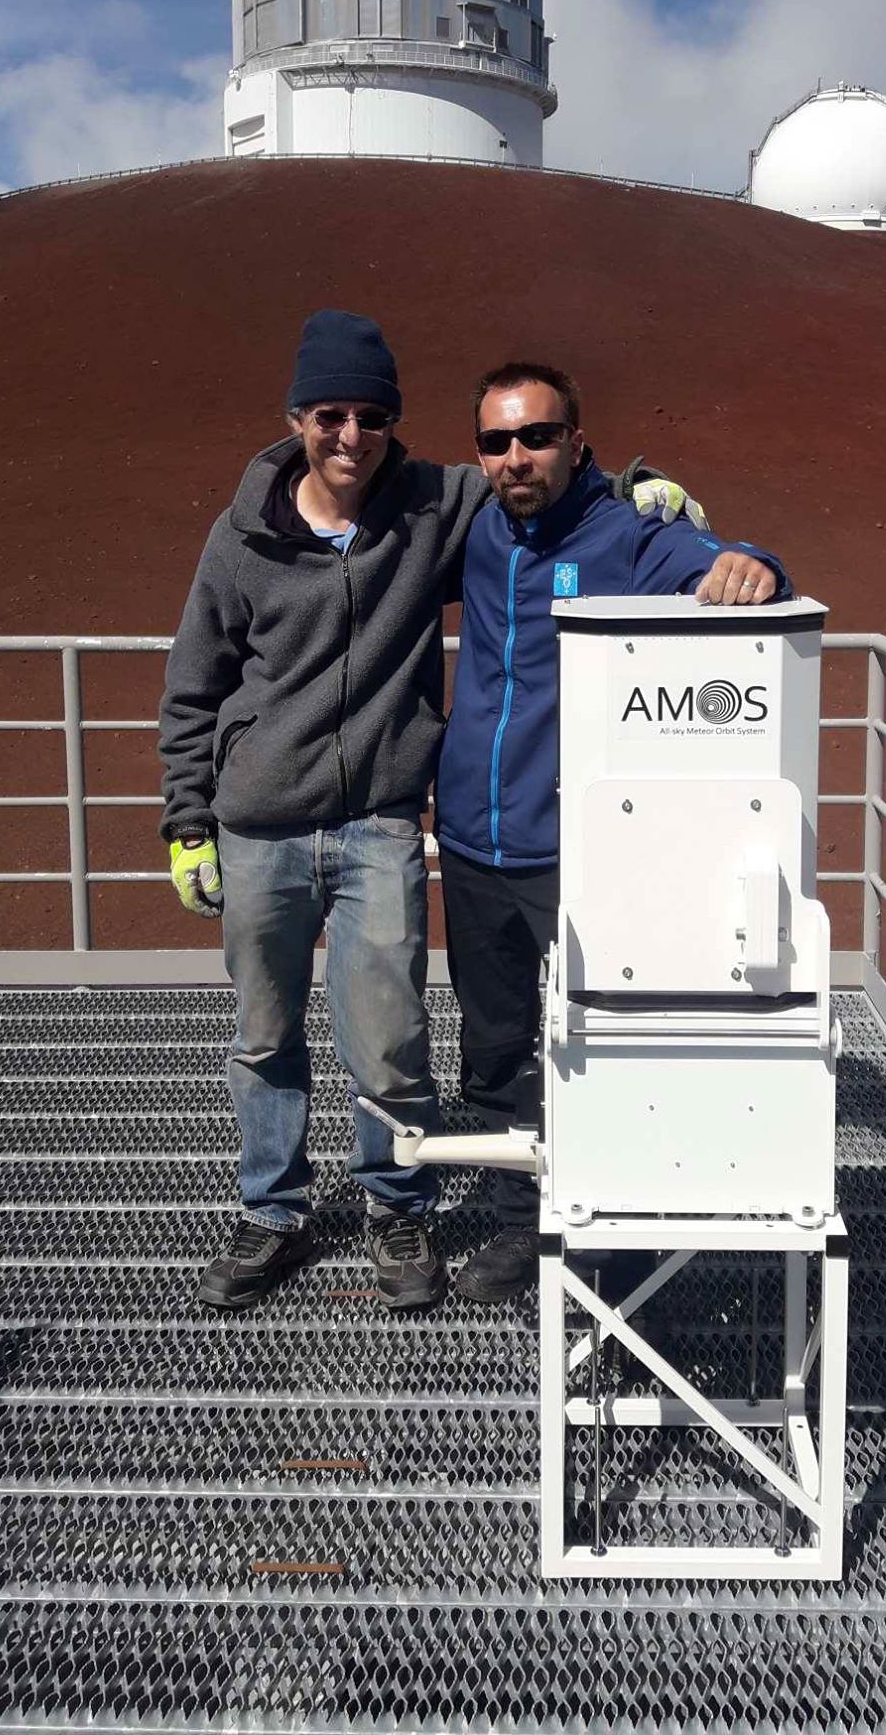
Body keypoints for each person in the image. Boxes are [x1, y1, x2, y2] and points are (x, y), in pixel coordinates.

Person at [159, 313, 705, 1315]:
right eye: (331, 415)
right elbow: (194, 684)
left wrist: (644, 485)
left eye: (372, 417)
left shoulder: (431, 502)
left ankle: (396, 1207)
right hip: (260, 826)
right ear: (297, 418)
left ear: (393, 423)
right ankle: (272, 1210)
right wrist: (187, 821)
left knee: (390, 1039)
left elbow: (545, 484)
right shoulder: (241, 538)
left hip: (378, 823)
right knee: (264, 1035)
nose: (351, 436)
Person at [433, 363, 792, 1302]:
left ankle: (611, 1245)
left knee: (599, 1045)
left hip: (578, 853)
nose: (517, 457)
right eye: (497, 442)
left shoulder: (626, 535)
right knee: (498, 1050)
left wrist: (750, 560)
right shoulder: (477, 532)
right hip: (471, 842)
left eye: (538, 436)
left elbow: (717, 564)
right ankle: (521, 1222)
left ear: (577, 443)